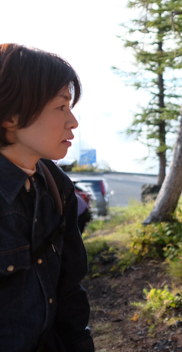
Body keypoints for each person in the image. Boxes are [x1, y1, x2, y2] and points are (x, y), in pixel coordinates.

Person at [0, 44, 94, 352]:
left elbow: (68, 290)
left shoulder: (56, 186)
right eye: (61, 106)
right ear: (11, 115)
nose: (73, 122)